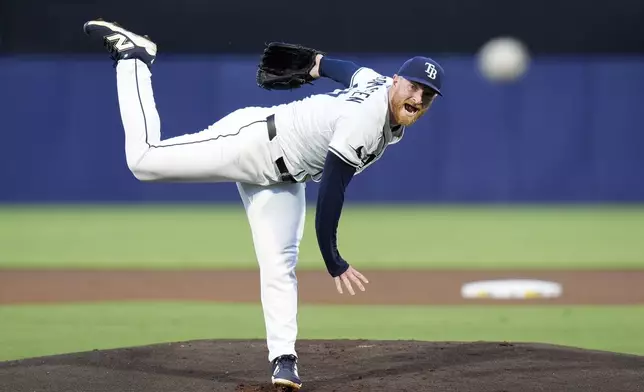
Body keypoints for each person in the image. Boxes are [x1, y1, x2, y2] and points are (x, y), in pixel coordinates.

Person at [82, 19, 444, 391]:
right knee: (143, 161)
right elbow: (333, 192)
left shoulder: (379, 86)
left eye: (427, 95)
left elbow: (349, 71)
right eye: (414, 86)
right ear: (397, 81)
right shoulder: (366, 120)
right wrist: (333, 260)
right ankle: (135, 59)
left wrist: (317, 63)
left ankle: (284, 360)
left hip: (285, 178)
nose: (417, 98)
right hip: (254, 143)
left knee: (279, 263)